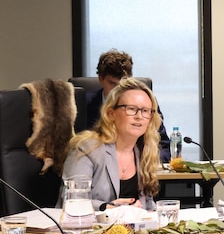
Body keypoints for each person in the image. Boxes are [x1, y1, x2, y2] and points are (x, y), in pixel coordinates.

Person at [60, 77, 162, 211]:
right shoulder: (87, 148)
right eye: (131, 109)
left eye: (145, 111)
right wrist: (106, 207)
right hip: (86, 228)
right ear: (111, 113)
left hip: (131, 230)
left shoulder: (145, 151)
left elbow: (148, 204)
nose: (139, 116)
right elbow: (72, 200)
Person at [84, 49, 171, 162]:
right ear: (101, 79)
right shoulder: (84, 104)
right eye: (112, 84)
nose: (118, 89)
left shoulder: (145, 105)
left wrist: (141, 163)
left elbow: (163, 147)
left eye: (123, 83)